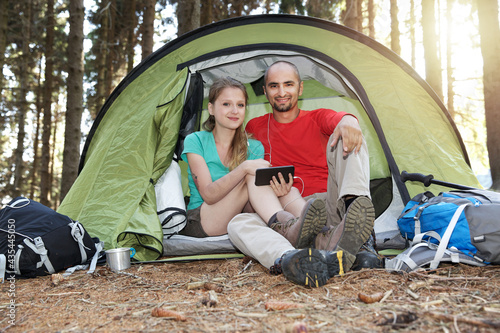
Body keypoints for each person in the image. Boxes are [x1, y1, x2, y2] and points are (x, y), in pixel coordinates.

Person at [227, 61, 378, 287]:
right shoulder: (254, 128)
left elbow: (341, 119)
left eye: (288, 84)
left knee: (348, 137)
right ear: (265, 91)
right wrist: (274, 195)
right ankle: (292, 258)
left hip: (327, 207)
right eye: (274, 86)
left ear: (300, 89)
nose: (281, 92)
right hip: (284, 218)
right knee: (238, 223)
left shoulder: (317, 117)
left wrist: (349, 120)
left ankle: (360, 235)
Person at [178, 76, 327, 250]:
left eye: (240, 105)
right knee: (251, 174)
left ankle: (322, 233)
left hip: (238, 216)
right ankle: (286, 227)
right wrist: (244, 168)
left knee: (288, 189)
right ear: (211, 108)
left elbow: (251, 201)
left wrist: (278, 189)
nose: (234, 110)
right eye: (226, 104)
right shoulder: (196, 140)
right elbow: (209, 195)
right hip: (203, 219)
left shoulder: (254, 146)